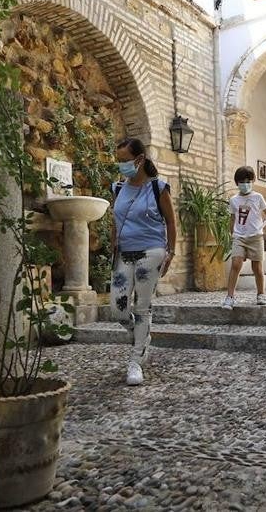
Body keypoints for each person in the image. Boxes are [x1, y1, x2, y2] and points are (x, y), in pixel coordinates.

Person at [109, 138, 177, 386]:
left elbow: (170, 221)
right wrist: (113, 246)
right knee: (117, 308)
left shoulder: (158, 187)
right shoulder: (117, 188)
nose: (121, 165)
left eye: (124, 161)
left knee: (142, 306)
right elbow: (114, 221)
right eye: (118, 161)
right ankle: (141, 335)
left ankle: (136, 361)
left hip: (152, 251)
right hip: (124, 253)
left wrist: (171, 251)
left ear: (139, 160)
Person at [221, 166, 266, 309]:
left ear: (253, 181)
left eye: (248, 181)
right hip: (239, 237)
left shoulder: (258, 197)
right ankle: (230, 297)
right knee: (236, 264)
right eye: (242, 181)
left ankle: (261, 294)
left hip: (256, 236)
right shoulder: (233, 200)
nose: (245, 184)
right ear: (237, 183)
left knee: (257, 267)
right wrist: (232, 234)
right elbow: (232, 218)